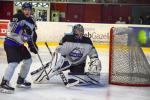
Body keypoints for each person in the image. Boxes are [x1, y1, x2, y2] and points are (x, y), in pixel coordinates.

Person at [32, 24, 101, 86]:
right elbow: (59, 51)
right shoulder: (67, 39)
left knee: (75, 80)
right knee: (52, 68)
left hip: (79, 64)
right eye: (78, 31)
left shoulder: (87, 41)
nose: (80, 33)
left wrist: (95, 61)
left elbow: (93, 54)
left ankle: (85, 77)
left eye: (81, 31)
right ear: (74, 31)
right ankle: (39, 76)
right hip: (66, 61)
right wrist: (57, 64)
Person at [0, 2, 38, 94]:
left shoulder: (32, 21)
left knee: (28, 60)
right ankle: (4, 84)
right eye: (25, 9)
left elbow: (31, 34)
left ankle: (21, 80)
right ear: (22, 10)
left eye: (29, 9)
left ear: (31, 10)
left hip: (20, 45)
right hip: (11, 42)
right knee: (13, 62)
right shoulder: (18, 16)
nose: (27, 11)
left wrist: (32, 45)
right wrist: (22, 27)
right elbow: (12, 30)